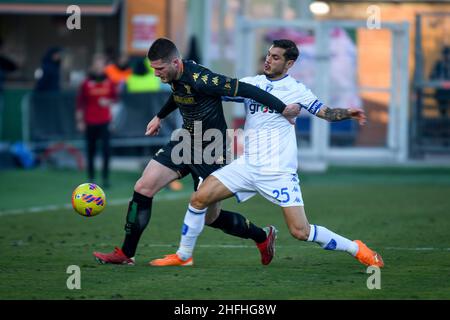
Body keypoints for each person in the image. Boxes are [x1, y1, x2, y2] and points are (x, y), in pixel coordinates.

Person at [150, 39, 384, 268]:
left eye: (275, 57)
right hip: (247, 166)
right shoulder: (252, 83)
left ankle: (356, 248)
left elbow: (326, 112)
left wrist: (347, 113)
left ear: (289, 64)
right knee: (199, 198)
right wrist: (165, 110)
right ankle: (183, 255)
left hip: (278, 171)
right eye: (268, 55)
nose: (268, 60)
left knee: (300, 232)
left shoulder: (297, 90)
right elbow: (206, 89)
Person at [93, 37, 300, 265]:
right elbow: (178, 93)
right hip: (185, 142)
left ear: (175, 62)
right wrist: (160, 116)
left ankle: (262, 236)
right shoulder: (175, 75)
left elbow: (247, 89)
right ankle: (126, 254)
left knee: (211, 218)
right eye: (153, 69)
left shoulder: (205, 79)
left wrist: (283, 109)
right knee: (143, 187)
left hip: (211, 150)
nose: (156, 74)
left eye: (159, 69)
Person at [76, 55, 117, 189]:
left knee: (106, 150)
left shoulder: (110, 82)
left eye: (101, 65)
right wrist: (80, 121)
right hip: (90, 121)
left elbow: (116, 100)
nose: (99, 67)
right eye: (97, 65)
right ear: (93, 66)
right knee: (91, 150)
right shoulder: (86, 83)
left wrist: (108, 102)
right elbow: (80, 103)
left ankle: (105, 178)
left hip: (105, 121)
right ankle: (91, 178)